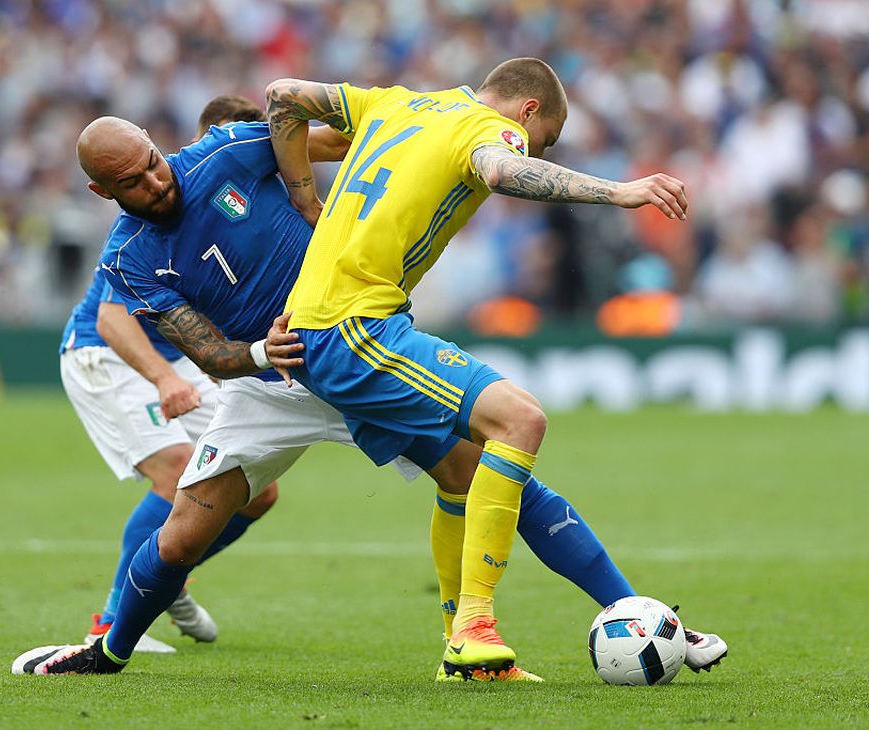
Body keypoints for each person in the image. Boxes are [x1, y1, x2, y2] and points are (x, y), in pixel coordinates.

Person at [13, 89, 725, 679]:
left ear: (151, 141)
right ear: (101, 191)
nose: (155, 182)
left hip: (349, 343)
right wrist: (260, 350)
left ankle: (635, 613)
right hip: (269, 376)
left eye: (151, 162)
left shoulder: (223, 151)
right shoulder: (131, 259)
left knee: (482, 469)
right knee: (181, 536)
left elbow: (319, 133)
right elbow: (210, 355)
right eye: (132, 182)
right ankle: (108, 652)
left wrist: (310, 193)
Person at [264, 57, 716, 678]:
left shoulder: (396, 102)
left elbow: (282, 95)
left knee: (467, 474)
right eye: (543, 138)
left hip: (322, 324)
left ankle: (484, 654)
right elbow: (502, 170)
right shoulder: (485, 128)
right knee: (521, 420)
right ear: (528, 110)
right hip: (353, 328)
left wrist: (303, 194)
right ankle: (473, 625)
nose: (535, 148)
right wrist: (618, 191)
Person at [58, 96, 283, 654]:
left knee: (256, 492)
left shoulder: (222, 195)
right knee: (179, 473)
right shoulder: (141, 231)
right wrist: (164, 379)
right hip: (108, 356)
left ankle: (163, 580)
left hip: (176, 360)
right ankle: (110, 621)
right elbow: (112, 320)